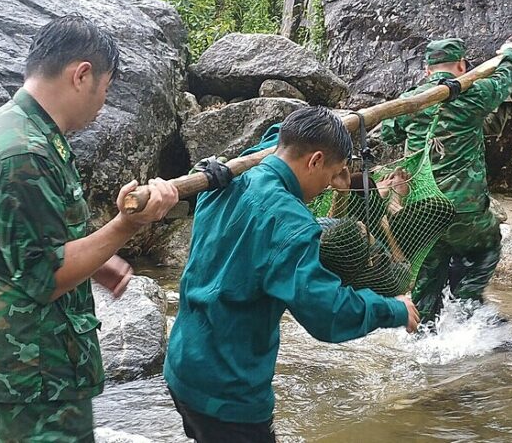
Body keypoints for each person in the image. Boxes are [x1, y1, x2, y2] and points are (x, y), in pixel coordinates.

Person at [0, 14, 179, 442]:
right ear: (82, 75)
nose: (103, 104)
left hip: (24, 367)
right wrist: (125, 225)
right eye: (106, 89)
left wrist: (99, 260)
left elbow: (36, 237)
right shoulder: (22, 153)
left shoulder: (22, 127)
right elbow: (47, 277)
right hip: (30, 375)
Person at [164, 106, 420, 443]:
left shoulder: (233, 171)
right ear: (314, 160)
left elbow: (275, 134)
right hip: (230, 391)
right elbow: (327, 313)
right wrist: (394, 308)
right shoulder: (289, 222)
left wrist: (333, 128)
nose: (332, 185)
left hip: (183, 366)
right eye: (333, 173)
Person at [381, 38, 512, 325]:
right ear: (461, 66)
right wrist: (510, 53)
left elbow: (388, 133)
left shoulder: (410, 100)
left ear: (426, 70)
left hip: (421, 214)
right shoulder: (474, 94)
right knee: (488, 245)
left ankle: (421, 333)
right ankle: (468, 305)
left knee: (428, 275)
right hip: (465, 212)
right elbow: (506, 77)